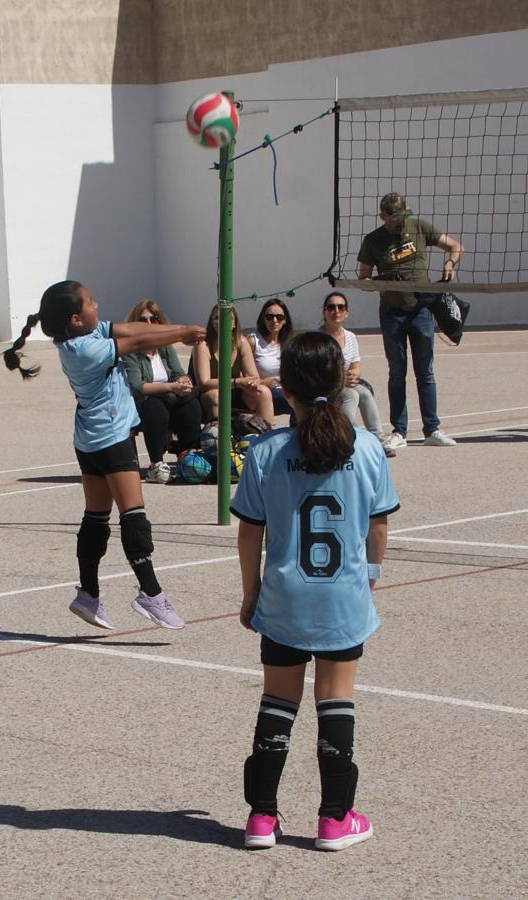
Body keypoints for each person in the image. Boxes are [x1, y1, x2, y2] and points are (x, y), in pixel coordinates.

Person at [231, 331, 399, 851]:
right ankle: (334, 818)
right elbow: (378, 528)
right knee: (336, 701)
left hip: (284, 597)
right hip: (342, 599)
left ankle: (261, 817)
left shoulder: (265, 451)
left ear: (286, 388)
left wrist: (251, 592)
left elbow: (249, 533)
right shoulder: (366, 448)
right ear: (341, 381)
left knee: (277, 701)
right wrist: (369, 579)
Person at [3, 280, 205, 631]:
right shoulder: (86, 350)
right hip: (111, 437)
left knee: (96, 518)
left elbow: (133, 329)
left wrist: (181, 329)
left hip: (89, 438)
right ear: (75, 318)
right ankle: (151, 594)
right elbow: (136, 343)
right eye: (91, 302)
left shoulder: (83, 334)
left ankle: (89, 594)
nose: (97, 305)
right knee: (134, 516)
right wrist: (182, 334)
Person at [357, 191, 464, 451]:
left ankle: (432, 429)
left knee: (425, 372)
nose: (400, 221)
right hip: (392, 313)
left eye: (403, 215)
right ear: (383, 216)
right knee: (397, 373)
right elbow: (363, 279)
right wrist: (380, 283)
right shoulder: (372, 241)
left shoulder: (419, 227)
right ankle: (399, 431)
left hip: (421, 311)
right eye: (395, 217)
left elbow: (456, 246)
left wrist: (450, 263)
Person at [122, 300, 203, 484]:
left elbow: (178, 372)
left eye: (154, 319)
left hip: (169, 395)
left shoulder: (165, 346)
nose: (149, 324)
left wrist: (183, 381)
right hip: (144, 400)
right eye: (143, 320)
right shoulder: (130, 350)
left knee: (191, 404)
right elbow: (139, 386)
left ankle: (187, 457)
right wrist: (172, 387)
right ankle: (156, 464)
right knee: (155, 407)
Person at [321, 291, 395, 458]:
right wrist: (340, 380)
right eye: (331, 307)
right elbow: (316, 370)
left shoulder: (350, 337)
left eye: (341, 307)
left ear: (346, 312)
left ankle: (378, 441)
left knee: (365, 393)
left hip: (344, 383)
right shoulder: (318, 338)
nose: (336, 311)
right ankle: (352, 437)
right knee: (351, 395)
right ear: (324, 312)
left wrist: (353, 375)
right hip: (326, 385)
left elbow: (355, 366)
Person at [191, 304, 274, 425]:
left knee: (263, 392)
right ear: (212, 323)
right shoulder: (203, 345)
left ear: (235, 324)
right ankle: (219, 433)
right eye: (217, 318)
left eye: (228, 318)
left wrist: (253, 382)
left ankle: (266, 432)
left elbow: (254, 376)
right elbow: (204, 383)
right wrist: (237, 382)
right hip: (208, 396)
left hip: (235, 392)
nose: (222, 322)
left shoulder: (241, 342)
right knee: (216, 395)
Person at [247, 298, 293, 417]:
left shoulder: (288, 342)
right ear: (263, 319)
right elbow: (241, 373)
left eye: (279, 317)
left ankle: (297, 428)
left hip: (285, 389)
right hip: (263, 391)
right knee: (297, 399)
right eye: (269, 317)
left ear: (285, 320)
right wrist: (263, 382)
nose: (274, 321)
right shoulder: (253, 341)